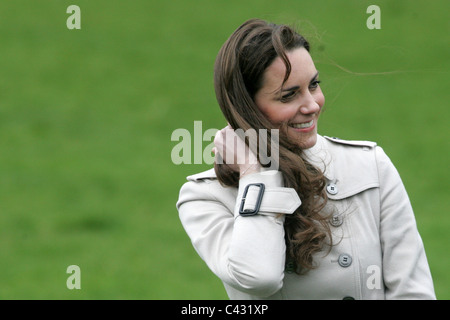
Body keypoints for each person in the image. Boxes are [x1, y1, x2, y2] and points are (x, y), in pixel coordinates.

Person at [176, 18, 436, 299]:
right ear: (246, 108)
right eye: (289, 96)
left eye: (313, 85)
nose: (312, 105)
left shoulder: (369, 165)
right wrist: (254, 173)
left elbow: (413, 291)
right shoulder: (206, 197)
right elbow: (259, 278)